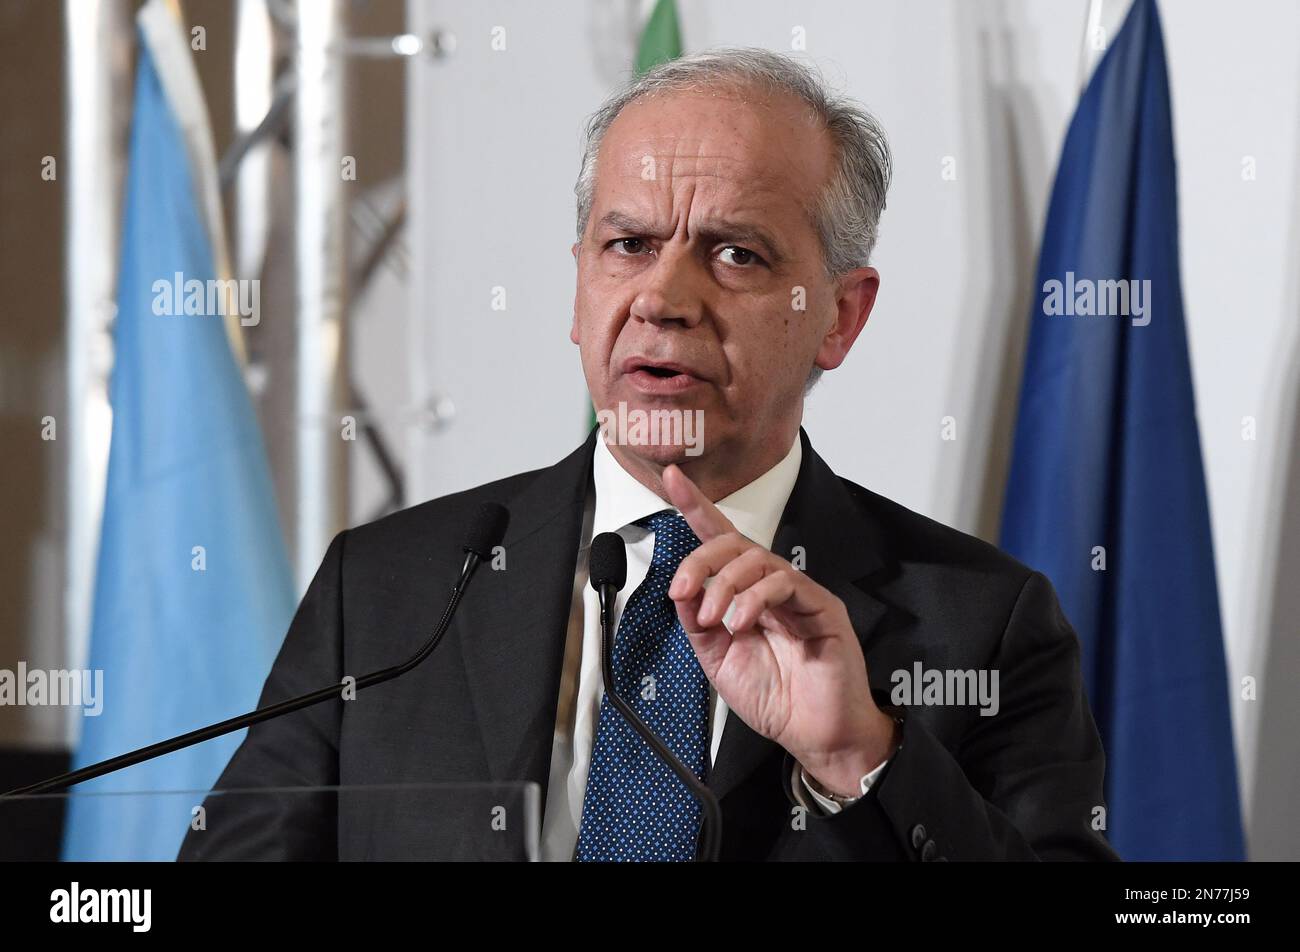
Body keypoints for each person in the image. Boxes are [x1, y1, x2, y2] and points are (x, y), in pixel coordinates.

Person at [179, 47, 1118, 862]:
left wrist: (861, 757)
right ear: (581, 287)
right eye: (627, 243)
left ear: (839, 314)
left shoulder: (982, 624)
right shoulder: (390, 589)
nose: (663, 297)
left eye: (737, 255)